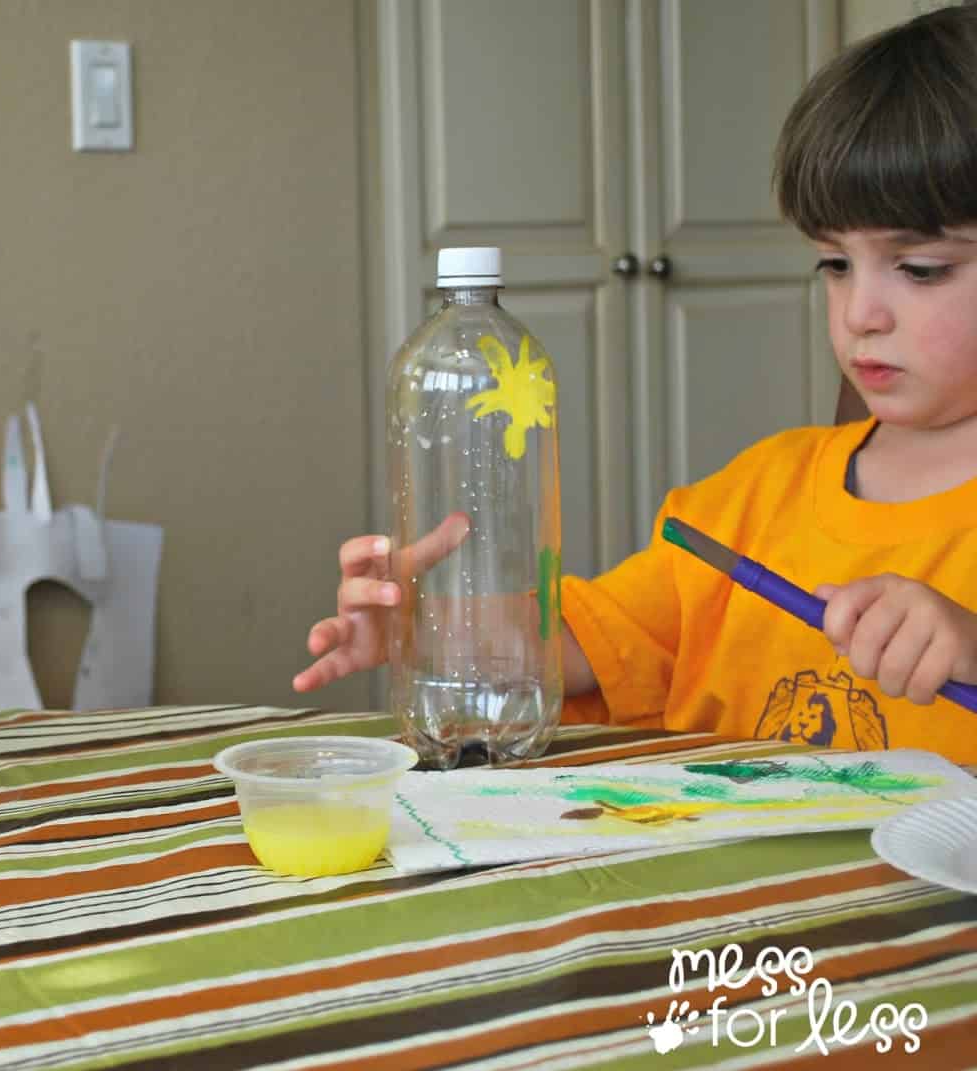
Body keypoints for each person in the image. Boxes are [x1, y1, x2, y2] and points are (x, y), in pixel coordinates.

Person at [294, 4, 977, 764]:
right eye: (835, 264)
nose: (861, 313)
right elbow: (582, 641)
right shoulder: (754, 499)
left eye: (920, 268)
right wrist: (422, 625)